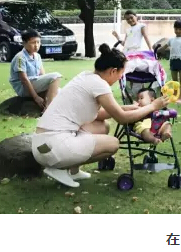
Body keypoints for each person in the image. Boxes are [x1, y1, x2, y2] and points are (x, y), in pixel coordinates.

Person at [31, 44, 170, 188]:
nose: (120, 78)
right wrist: (152, 106)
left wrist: (128, 107)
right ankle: (59, 167)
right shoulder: (99, 85)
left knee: (103, 126)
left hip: (42, 144)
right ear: (113, 71)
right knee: (113, 144)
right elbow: (122, 118)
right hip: (54, 147)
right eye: (121, 74)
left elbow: (100, 114)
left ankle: (73, 170)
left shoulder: (86, 76)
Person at [9, 29, 62, 111]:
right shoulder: (20, 57)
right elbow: (24, 80)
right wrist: (36, 97)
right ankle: (48, 110)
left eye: (38, 42)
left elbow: (42, 75)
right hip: (24, 88)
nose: (36, 45)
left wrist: (47, 88)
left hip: (34, 83)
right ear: (24, 43)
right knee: (56, 76)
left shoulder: (37, 56)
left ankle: (48, 107)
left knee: (59, 91)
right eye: (33, 42)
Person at [157, 20, 181, 104]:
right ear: (174, 29)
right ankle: (175, 96)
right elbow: (163, 47)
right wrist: (157, 49)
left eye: (180, 29)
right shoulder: (171, 39)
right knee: (175, 81)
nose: (178, 31)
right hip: (173, 61)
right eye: (176, 29)